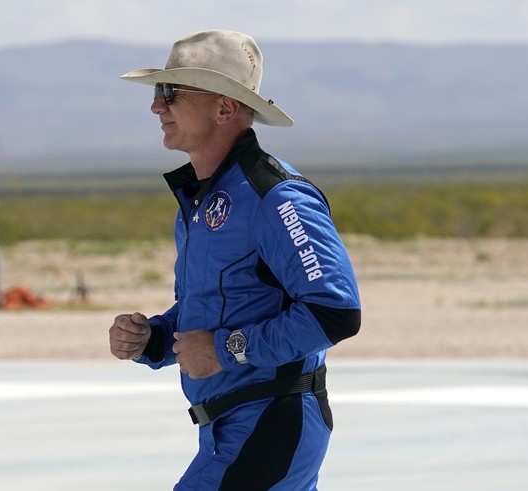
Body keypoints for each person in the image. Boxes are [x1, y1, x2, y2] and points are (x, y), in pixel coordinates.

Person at [108, 30, 361, 490]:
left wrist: (225, 350)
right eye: (157, 93)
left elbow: (335, 312)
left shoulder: (276, 197)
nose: (156, 107)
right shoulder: (203, 201)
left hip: (270, 422)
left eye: (171, 93)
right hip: (231, 428)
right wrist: (155, 338)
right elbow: (219, 306)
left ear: (225, 108)